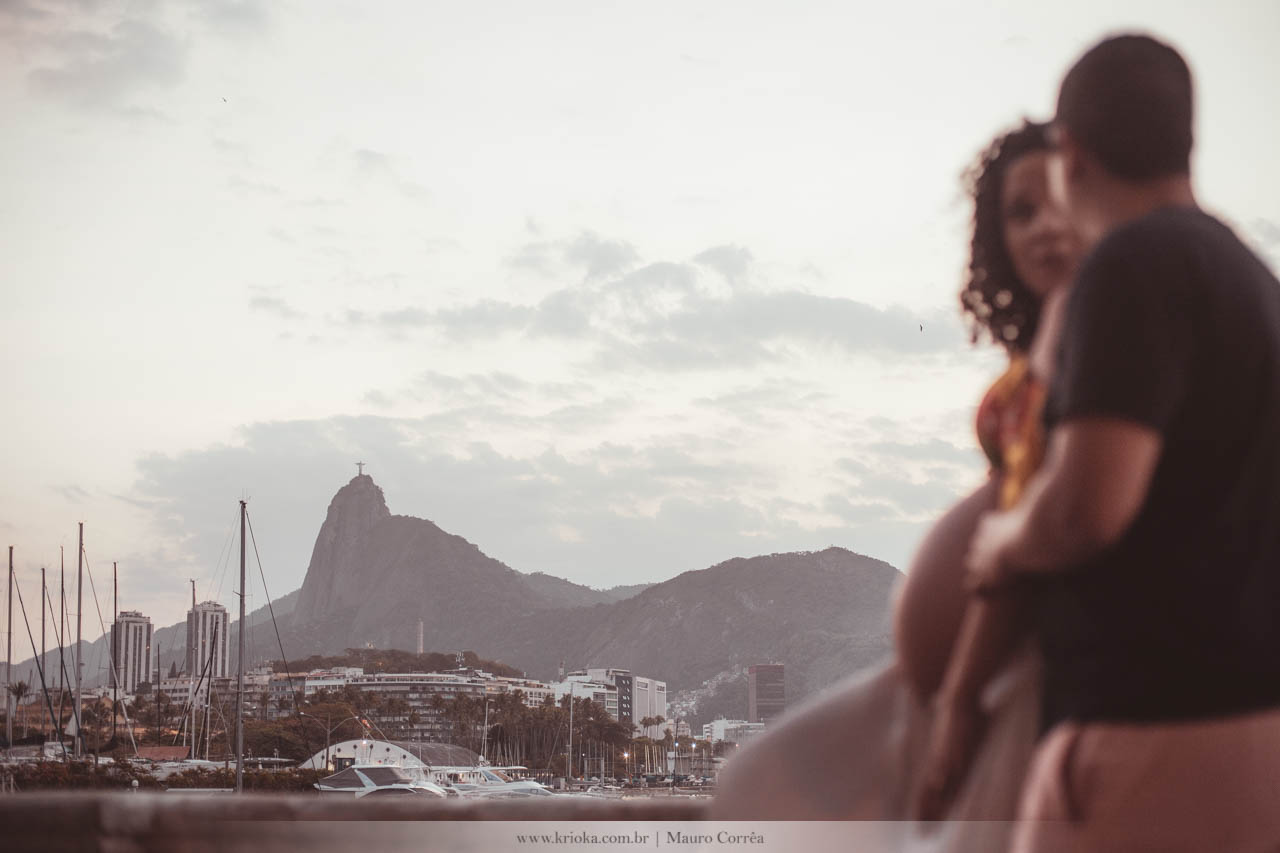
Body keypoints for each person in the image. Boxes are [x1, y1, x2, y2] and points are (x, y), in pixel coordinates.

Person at [711, 121, 1078, 850]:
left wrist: (967, 690)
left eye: (1057, 204)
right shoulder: (1043, 339)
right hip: (943, 679)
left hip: (1014, 671)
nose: (1040, 229)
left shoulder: (1098, 333)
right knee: (757, 785)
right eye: (1019, 212)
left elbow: (1041, 521)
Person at [953, 34, 1280, 852]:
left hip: (1146, 733)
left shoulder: (1131, 265)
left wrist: (1005, 543)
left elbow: (1085, 508)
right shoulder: (1254, 281)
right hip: (1253, 731)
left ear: (1072, 153)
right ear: (1188, 141)